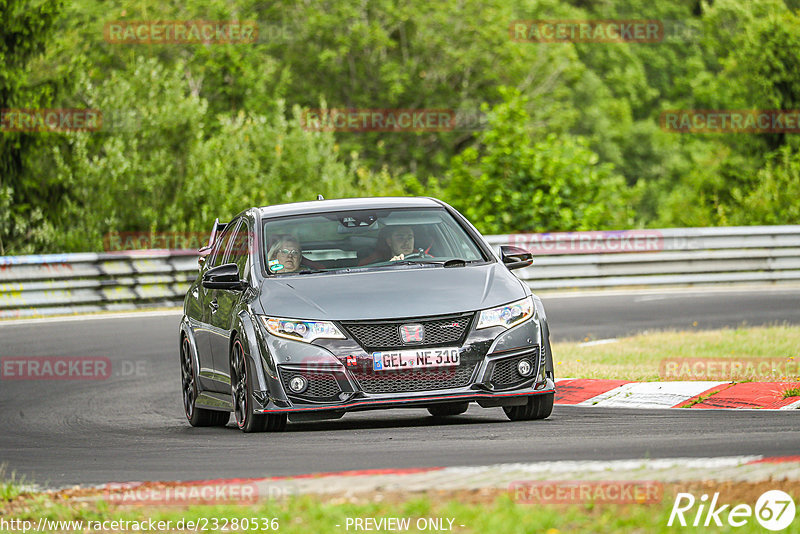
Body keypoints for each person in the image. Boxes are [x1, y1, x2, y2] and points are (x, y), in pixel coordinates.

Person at [358, 225, 426, 265]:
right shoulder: (373, 262)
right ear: (389, 241)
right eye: (400, 238)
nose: (406, 243)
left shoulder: (424, 258)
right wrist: (389, 266)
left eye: (410, 238)